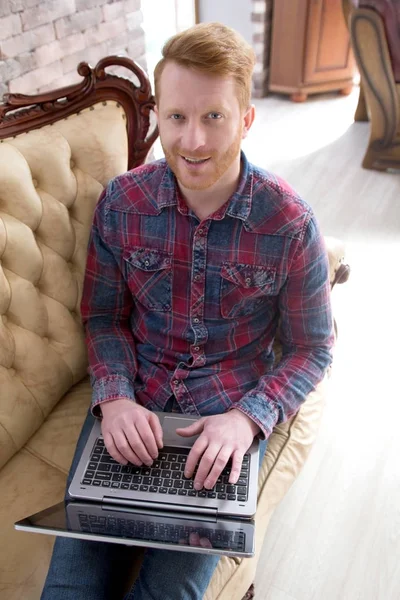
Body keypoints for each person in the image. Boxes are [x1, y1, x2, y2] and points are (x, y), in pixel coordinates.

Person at [41, 21, 334, 600]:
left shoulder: (290, 224)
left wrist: (249, 418)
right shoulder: (122, 204)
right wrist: (115, 397)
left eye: (214, 117)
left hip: (223, 420)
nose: (193, 141)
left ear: (246, 119)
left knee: (170, 593)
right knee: (71, 586)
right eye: (176, 117)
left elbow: (313, 347)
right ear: (159, 118)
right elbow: (103, 318)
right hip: (133, 412)